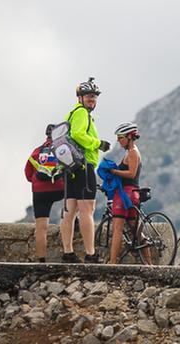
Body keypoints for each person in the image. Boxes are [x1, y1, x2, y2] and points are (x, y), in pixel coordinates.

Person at [59, 77, 110, 263]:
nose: (92, 99)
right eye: (88, 96)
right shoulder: (81, 113)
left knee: (70, 210)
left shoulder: (71, 113)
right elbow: (78, 134)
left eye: (94, 97)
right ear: (80, 97)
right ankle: (90, 254)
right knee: (87, 209)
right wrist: (98, 143)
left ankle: (68, 252)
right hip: (83, 165)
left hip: (70, 167)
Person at [23, 124, 65, 262]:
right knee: (72, 206)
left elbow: (28, 173)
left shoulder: (37, 152)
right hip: (59, 189)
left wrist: (38, 182)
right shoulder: (62, 149)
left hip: (40, 191)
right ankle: (74, 221)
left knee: (41, 228)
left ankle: (41, 260)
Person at [106, 122, 143, 264]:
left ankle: (112, 262)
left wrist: (114, 171)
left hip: (125, 194)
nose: (118, 140)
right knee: (136, 230)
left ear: (129, 136)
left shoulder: (132, 152)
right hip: (133, 193)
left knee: (117, 229)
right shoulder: (131, 152)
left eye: (120, 137)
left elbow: (132, 173)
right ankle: (149, 262)